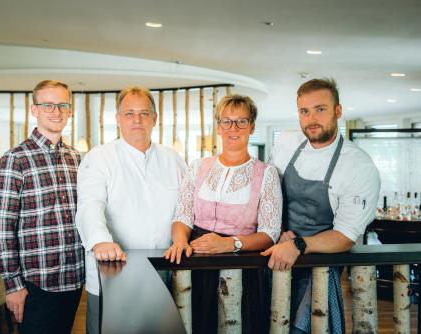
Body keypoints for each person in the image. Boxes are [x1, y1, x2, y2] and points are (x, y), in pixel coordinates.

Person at [261, 78, 380, 333]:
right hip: (274, 256)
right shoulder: (286, 143)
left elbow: (346, 235)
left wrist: (299, 245)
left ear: (338, 111)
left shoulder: (358, 166)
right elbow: (269, 193)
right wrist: (279, 230)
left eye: (320, 109)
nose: (311, 118)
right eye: (304, 111)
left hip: (319, 269)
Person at [164, 94, 283, 334]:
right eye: (226, 121)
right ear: (218, 127)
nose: (233, 128)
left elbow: (270, 233)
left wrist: (230, 244)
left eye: (241, 121)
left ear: (252, 127)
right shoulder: (198, 166)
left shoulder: (267, 173)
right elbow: (183, 214)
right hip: (197, 264)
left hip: (242, 267)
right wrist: (179, 240)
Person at [76, 86, 187, 333]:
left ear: (155, 119)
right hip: (114, 272)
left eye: (144, 113)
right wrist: (100, 242)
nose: (137, 120)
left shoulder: (174, 159)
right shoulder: (99, 158)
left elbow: (186, 209)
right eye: (129, 113)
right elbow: (89, 205)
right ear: (117, 119)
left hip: (164, 272)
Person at [0, 80, 85, 334]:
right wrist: (12, 285)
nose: (56, 111)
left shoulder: (77, 159)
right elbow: (2, 228)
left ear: (70, 109)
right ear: (34, 110)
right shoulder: (15, 159)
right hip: (35, 282)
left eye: (62, 105)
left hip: (74, 276)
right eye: (48, 105)